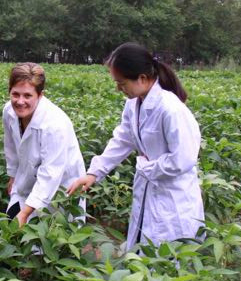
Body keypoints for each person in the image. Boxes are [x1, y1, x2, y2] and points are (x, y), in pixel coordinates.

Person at [67, 42, 204, 252]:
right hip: (149, 191)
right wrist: (94, 173)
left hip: (173, 199)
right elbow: (123, 139)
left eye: (122, 83)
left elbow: (183, 159)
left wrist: (147, 167)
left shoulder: (170, 109)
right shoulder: (134, 104)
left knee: (171, 257)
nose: (118, 88)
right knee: (143, 251)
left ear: (142, 78)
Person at [3, 63, 86, 226]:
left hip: (61, 187)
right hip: (27, 177)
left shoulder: (54, 124)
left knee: (55, 231)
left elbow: (50, 173)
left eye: (27, 95)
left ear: (40, 95)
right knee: (13, 227)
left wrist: (25, 212)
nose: (20, 101)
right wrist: (13, 176)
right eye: (15, 94)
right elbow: (10, 146)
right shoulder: (9, 112)